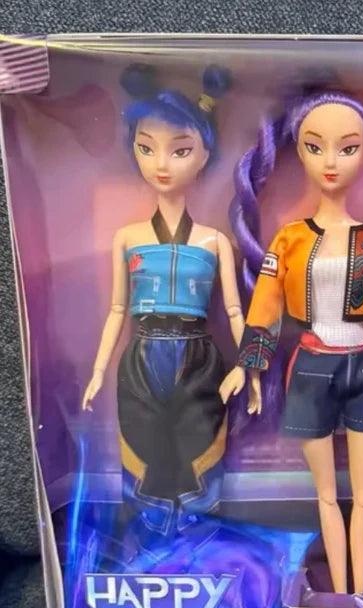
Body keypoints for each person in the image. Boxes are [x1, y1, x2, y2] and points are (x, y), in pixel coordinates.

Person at [227, 85, 363, 598]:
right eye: (314, 147)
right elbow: (266, 305)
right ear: (299, 152)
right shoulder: (289, 239)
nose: (330, 161)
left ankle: (362, 600)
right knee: (327, 496)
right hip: (311, 367)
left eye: (347, 148)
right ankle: (342, 594)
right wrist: (249, 365)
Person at [82, 64, 244, 535]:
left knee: (200, 441)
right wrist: (98, 371)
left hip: (199, 355)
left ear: (204, 153)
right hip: (143, 353)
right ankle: (148, 536)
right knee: (144, 440)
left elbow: (235, 310)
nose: (162, 164)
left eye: (180, 150)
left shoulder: (214, 240)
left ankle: (200, 531)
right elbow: (118, 309)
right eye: (146, 147)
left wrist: (249, 367)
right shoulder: (128, 237)